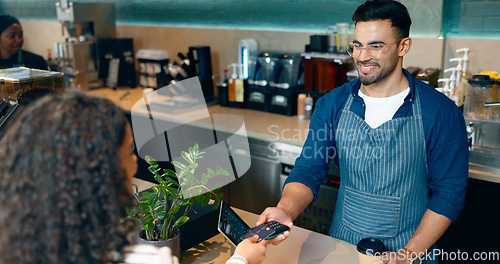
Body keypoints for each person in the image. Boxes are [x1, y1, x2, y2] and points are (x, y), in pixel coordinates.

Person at [258, 1, 468, 264]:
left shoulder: (439, 111)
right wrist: (285, 210)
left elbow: (449, 193)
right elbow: (309, 169)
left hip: (410, 251)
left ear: (404, 46)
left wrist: (408, 254)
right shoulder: (332, 105)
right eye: (357, 45)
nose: (362, 56)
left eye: (375, 46)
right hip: (342, 248)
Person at [0, 92, 267, 264]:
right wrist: (241, 260)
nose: (136, 161)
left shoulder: (18, 239)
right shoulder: (145, 258)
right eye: (129, 150)